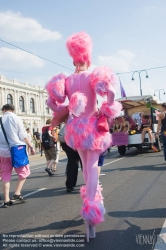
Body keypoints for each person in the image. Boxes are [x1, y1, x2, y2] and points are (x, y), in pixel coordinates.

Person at [46, 31, 121, 241]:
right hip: (93, 126)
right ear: (87, 56)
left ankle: (91, 205)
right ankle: (91, 210)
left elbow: (51, 104)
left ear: (73, 57)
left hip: (75, 128)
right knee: (92, 166)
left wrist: (65, 108)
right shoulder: (95, 76)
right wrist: (106, 108)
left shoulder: (65, 80)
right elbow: (112, 94)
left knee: (85, 166)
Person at [0, 104, 35, 208]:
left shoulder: (1, 119)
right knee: (24, 172)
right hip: (17, 150)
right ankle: (17, 193)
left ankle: (6, 200)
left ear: (4, 110)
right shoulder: (16, 118)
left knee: (5, 175)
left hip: (3, 153)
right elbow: (23, 135)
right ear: (13, 110)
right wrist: (31, 146)